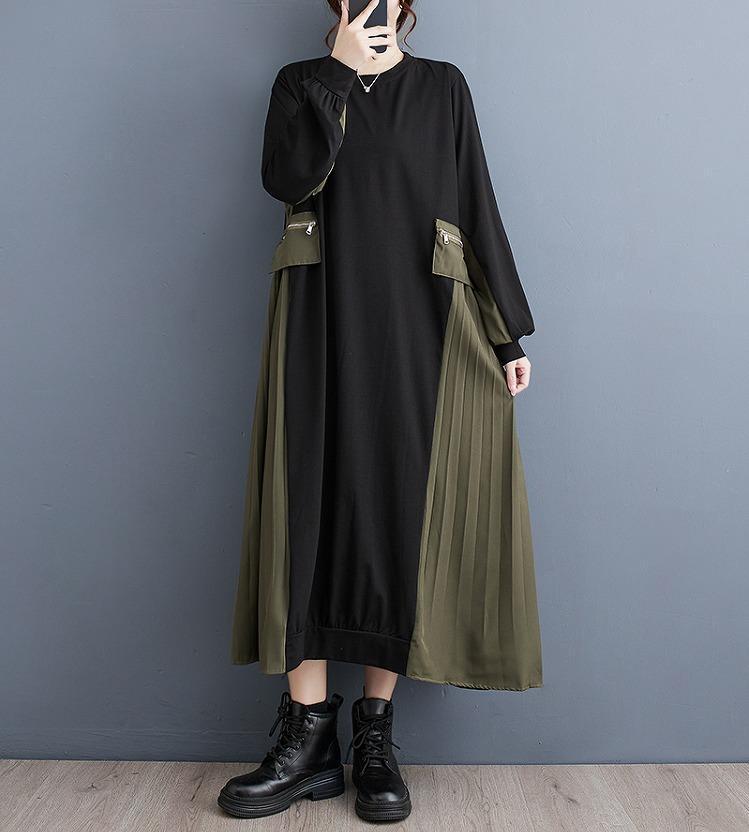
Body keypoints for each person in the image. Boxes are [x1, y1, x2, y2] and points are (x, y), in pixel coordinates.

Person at [218, 0, 543, 821]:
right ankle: (305, 742)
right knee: (307, 507)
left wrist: (505, 331)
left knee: (396, 510)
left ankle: (373, 738)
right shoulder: (300, 82)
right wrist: (335, 72)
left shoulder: (441, 88)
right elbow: (288, 179)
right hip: (317, 318)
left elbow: (474, 202)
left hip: (418, 324)